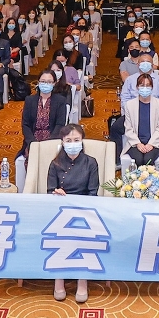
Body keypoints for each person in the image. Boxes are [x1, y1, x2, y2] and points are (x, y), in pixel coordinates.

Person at [49, 124, 100, 302]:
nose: (73, 144)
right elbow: (49, 190)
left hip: (84, 210)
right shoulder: (55, 163)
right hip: (61, 211)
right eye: (68, 140)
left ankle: (82, 279)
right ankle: (59, 278)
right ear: (62, 142)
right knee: (61, 234)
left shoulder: (91, 162)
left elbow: (93, 192)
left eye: (76, 140)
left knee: (82, 234)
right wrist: (56, 193)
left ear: (82, 141)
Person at [122, 73, 159, 168]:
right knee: (139, 159)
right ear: (137, 87)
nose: (145, 88)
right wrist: (138, 143)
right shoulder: (129, 105)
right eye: (142, 85)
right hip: (135, 143)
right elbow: (128, 128)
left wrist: (151, 144)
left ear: (152, 87)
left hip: (154, 142)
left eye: (148, 85)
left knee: (148, 159)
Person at [20, 70, 69, 159]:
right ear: (38, 82)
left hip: (52, 140)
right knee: (32, 160)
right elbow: (25, 124)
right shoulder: (29, 100)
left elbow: (60, 124)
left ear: (54, 83)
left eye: (49, 82)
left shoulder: (60, 101)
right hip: (32, 140)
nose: (46, 84)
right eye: (43, 81)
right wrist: (32, 142)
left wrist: (49, 143)